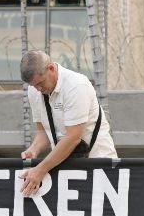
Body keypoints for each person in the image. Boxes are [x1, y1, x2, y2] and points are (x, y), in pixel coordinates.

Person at [19, 50, 116, 197]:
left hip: (97, 162)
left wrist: (40, 170)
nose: (38, 89)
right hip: (62, 165)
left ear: (51, 68)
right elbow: (43, 131)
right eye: (33, 85)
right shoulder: (35, 91)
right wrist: (34, 149)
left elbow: (73, 138)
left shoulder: (76, 85)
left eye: (40, 83)